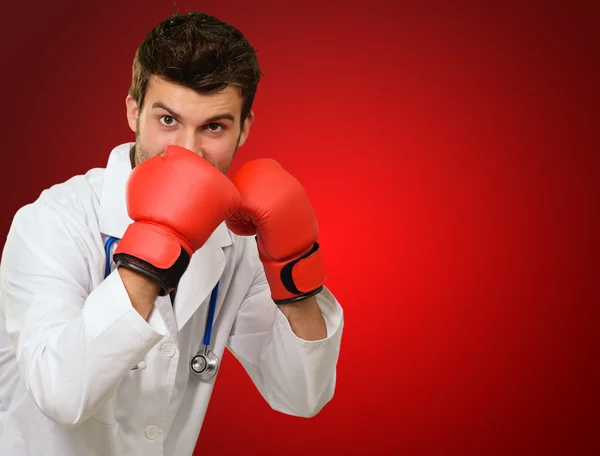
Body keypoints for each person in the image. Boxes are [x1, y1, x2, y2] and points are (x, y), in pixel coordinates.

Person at [0, 11, 344, 456]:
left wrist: (293, 273)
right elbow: (60, 396)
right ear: (133, 110)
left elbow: (301, 394)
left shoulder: (238, 238)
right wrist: (155, 245)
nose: (187, 151)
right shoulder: (53, 222)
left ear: (245, 130)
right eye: (168, 121)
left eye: (214, 127)